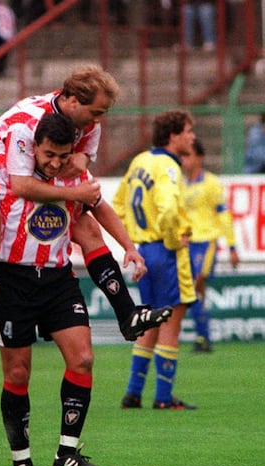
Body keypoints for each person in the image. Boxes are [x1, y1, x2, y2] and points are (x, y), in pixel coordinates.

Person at [0, 112, 171, 466]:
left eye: (62, 156)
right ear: (33, 147)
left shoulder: (72, 175)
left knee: (83, 359)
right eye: (48, 154)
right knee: (18, 372)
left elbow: (100, 208)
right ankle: (22, 461)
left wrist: (129, 247)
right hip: (13, 280)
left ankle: (67, 452)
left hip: (57, 280)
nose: (54, 162)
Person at [0, 64, 170, 348]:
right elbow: (21, 184)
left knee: (88, 228)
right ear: (72, 101)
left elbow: (82, 164)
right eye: (95, 112)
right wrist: (76, 193)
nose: (98, 121)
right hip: (3, 179)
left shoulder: (86, 124)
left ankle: (127, 313)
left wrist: (129, 247)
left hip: (42, 175)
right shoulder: (29, 122)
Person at [113, 109, 198, 410]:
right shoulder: (169, 167)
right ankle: (163, 398)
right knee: (171, 322)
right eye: (188, 131)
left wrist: (134, 238)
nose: (193, 137)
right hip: (165, 249)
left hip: (145, 250)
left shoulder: (140, 161)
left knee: (148, 323)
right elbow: (170, 209)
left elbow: (119, 204)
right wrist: (175, 240)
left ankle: (133, 393)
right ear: (174, 136)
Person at [182, 138, 239, 352]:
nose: (184, 160)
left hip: (206, 242)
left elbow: (223, 215)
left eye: (187, 155)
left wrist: (232, 246)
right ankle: (202, 337)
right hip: (186, 243)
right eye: (182, 156)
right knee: (193, 291)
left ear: (199, 157)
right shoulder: (179, 183)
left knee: (197, 283)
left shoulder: (211, 183)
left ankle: (202, 337)